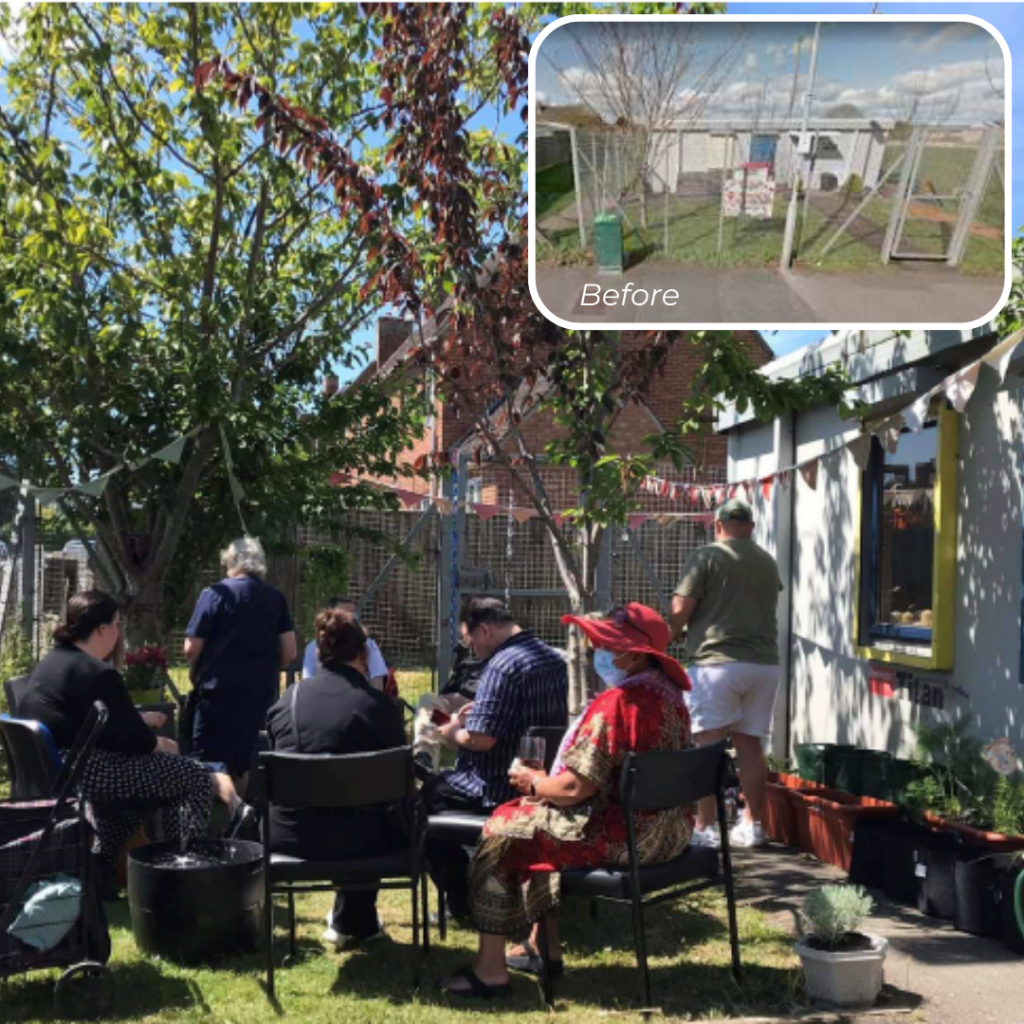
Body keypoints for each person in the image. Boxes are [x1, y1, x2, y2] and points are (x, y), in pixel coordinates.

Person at [443, 603, 692, 998]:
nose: (598, 649)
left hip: (629, 836)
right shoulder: (671, 696)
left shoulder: (618, 704)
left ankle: (490, 970)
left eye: (610, 643)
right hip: (670, 829)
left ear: (637, 654)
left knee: (502, 830)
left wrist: (535, 782)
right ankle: (543, 948)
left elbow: (575, 789)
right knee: (532, 824)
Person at [20, 591, 250, 872]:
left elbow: (90, 720)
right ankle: (181, 867)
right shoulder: (98, 673)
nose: (119, 632)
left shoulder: (54, 662)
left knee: (138, 797)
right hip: (89, 774)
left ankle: (101, 866)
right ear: (102, 629)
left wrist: (138, 719)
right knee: (194, 777)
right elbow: (137, 743)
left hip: (63, 768)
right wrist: (162, 744)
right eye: (117, 624)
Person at [266, 605, 406, 949]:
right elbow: (400, 784)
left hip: (291, 836)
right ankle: (355, 920)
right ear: (363, 655)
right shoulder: (382, 708)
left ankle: (353, 920)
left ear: (318, 652)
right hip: (367, 843)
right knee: (371, 812)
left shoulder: (286, 704)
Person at [422, 598, 568, 921]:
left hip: (495, 788)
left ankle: (462, 900)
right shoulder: (553, 659)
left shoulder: (502, 665)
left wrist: (450, 729)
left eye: (468, 639)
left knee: (419, 802)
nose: (470, 648)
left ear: (484, 629)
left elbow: (480, 740)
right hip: (542, 784)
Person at [669, 498, 783, 850]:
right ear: (750, 526)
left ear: (717, 525)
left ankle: (705, 829)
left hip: (716, 663)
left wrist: (661, 640)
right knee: (751, 745)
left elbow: (680, 610)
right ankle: (753, 825)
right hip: (764, 664)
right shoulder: (767, 561)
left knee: (708, 744)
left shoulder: (706, 556)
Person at [184, 537, 297, 782]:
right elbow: (290, 651)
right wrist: (268, 668)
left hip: (218, 689)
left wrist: (195, 671)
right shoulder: (275, 597)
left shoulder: (214, 593)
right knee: (244, 759)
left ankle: (215, 816)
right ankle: (242, 812)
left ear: (232, 561)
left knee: (207, 759)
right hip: (261, 689)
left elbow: (191, 647)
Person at [412, 639, 490, 774]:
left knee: (438, 720)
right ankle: (424, 759)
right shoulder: (468, 664)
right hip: (450, 714)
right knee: (427, 702)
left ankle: (426, 769)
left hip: (472, 717)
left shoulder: (501, 668)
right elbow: (445, 694)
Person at [301, 595, 388, 689]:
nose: (352, 617)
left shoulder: (368, 645)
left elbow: (377, 683)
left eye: (353, 612)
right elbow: (307, 681)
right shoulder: (312, 647)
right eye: (345, 613)